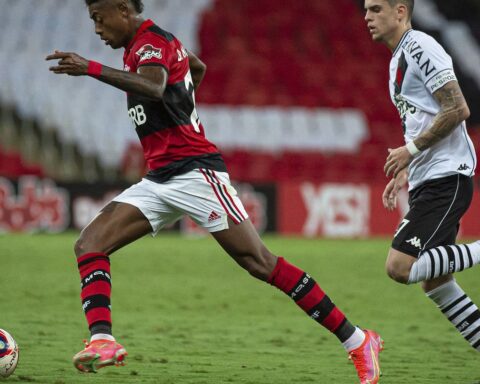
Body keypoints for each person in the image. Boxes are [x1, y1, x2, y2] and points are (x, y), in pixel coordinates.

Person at [46, 0, 383, 382]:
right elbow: (196, 68)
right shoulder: (143, 46)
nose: (95, 28)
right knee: (89, 244)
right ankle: (103, 340)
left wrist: (89, 68)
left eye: (98, 18)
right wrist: (182, 110)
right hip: (160, 179)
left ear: (123, 9)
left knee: (260, 262)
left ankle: (357, 339)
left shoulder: (150, 42)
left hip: (195, 172)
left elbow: (155, 86)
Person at [365, 0, 480, 353]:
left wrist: (410, 151)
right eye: (366, 9)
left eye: (376, 9)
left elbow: (457, 108)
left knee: (400, 267)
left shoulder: (420, 46)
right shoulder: (398, 56)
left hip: (447, 178)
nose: (367, 17)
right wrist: (406, 166)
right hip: (428, 177)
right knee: (437, 283)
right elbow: (422, 119)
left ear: (401, 11)